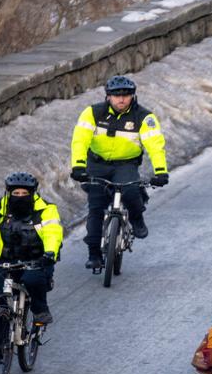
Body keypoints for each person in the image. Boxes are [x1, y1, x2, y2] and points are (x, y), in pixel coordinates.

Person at [68, 75, 168, 270]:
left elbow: (155, 146)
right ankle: (94, 254)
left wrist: (161, 172)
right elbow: (80, 140)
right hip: (97, 164)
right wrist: (79, 166)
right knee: (96, 208)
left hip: (126, 165)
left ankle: (137, 219)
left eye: (126, 95)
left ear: (133, 96)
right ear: (108, 97)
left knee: (131, 192)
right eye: (116, 95)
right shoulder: (92, 113)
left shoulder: (144, 117)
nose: (121, 99)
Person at [0, 173, 62, 324]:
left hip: (37, 260)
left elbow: (53, 233)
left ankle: (40, 311)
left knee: (32, 280)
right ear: (9, 193)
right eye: (16, 193)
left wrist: (50, 253)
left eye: (24, 193)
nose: (20, 196)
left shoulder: (46, 209)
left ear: (32, 193)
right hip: (4, 261)